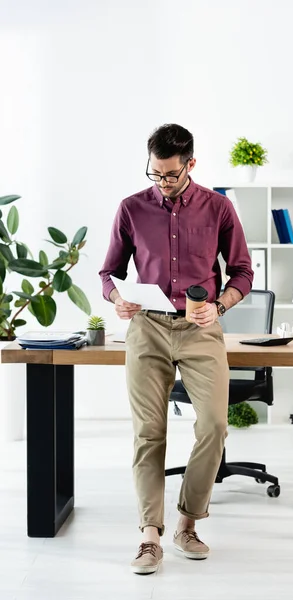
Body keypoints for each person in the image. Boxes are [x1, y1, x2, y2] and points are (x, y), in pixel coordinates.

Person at [99, 123, 253, 575]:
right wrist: (116, 298)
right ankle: (150, 537)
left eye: (170, 174)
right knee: (150, 432)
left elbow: (242, 271)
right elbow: (109, 272)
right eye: (155, 173)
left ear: (190, 164)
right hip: (146, 327)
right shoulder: (131, 208)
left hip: (199, 328)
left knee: (214, 424)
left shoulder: (218, 208)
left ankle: (188, 521)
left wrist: (220, 304)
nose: (162, 182)